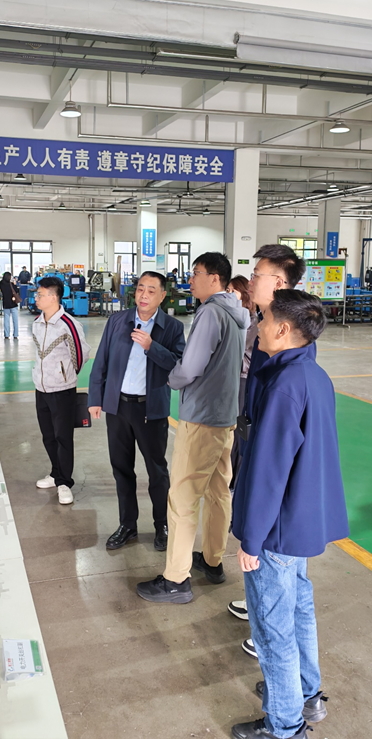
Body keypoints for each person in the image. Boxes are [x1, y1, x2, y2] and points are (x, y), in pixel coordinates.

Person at [231, 290, 349, 739]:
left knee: (272, 629)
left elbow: (268, 470)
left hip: (275, 529)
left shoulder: (283, 386)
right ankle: (304, 693)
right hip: (301, 521)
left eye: (262, 319)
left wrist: (251, 539)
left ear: (283, 329)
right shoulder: (313, 375)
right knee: (298, 609)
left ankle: (284, 725)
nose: (257, 326)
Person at [136, 252, 249, 603]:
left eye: (196, 273)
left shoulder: (211, 313)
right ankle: (213, 561)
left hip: (201, 418)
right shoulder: (238, 313)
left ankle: (175, 580)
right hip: (225, 417)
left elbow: (190, 367)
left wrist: (173, 378)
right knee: (218, 492)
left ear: (214, 278)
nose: (190, 279)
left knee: (183, 499)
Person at [227, 245, 307, 658]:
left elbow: (275, 444)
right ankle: (259, 604)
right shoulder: (264, 322)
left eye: (257, 274)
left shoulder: (282, 333)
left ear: (278, 282)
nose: (251, 280)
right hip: (253, 434)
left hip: (264, 442)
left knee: (270, 558)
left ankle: (268, 633)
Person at [88, 271, 185, 551]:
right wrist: (95, 397)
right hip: (118, 407)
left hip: (150, 410)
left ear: (162, 296)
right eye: (141, 288)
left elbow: (179, 366)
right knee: (122, 469)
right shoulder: (117, 321)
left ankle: (161, 525)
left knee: (157, 471)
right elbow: (101, 360)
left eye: (151, 291)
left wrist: (151, 347)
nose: (144, 295)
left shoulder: (172, 328)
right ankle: (127, 524)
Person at [33, 277, 90, 505]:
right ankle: (55, 473)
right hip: (41, 389)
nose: (36, 298)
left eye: (40, 294)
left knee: (63, 437)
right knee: (48, 436)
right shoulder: (37, 322)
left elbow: (81, 354)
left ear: (53, 297)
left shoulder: (68, 324)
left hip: (62, 390)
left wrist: (65, 375)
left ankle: (65, 482)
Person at [226, 275, 258, 489]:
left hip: (242, 380)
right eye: (227, 290)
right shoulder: (234, 317)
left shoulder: (251, 321)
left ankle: (234, 479)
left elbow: (239, 351)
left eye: (233, 291)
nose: (228, 294)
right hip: (231, 379)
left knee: (238, 431)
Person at [0, 272, 20, 340]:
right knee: (15, 320)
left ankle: (6, 335)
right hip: (13, 304)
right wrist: (15, 284)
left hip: (6, 304)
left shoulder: (1, 284)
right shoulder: (11, 284)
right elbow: (16, 290)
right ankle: (15, 335)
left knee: (6, 320)